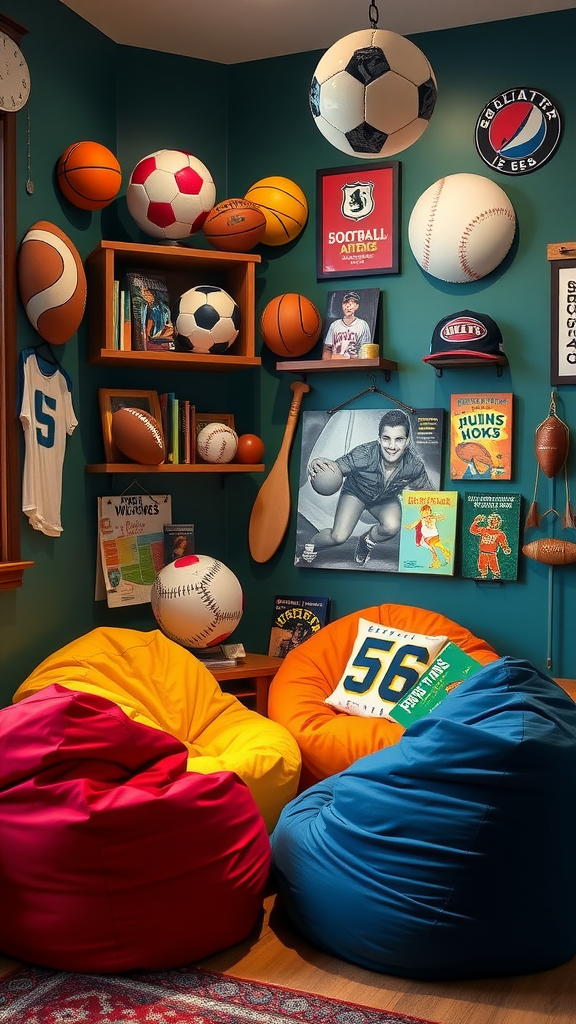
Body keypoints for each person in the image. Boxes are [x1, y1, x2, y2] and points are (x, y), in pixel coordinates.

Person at [303, 409, 432, 566]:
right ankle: (310, 546)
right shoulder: (363, 454)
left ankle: (367, 540)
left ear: (407, 440)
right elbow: (336, 469)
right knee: (338, 537)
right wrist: (319, 463)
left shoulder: (414, 465)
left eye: (399, 439)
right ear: (379, 438)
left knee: (392, 527)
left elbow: (428, 494)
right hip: (356, 493)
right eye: (386, 439)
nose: (392, 446)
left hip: (384, 499)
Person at [322, 291, 371, 359]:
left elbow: (366, 352)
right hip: (336, 365)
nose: (348, 306)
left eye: (352, 302)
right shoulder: (334, 325)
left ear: (357, 306)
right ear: (342, 305)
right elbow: (327, 350)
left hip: (355, 365)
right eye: (345, 302)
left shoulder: (362, 325)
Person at [404, 503, 451, 568]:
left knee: (436, 547)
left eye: (427, 512)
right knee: (433, 550)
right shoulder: (421, 520)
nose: (425, 514)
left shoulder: (433, 518)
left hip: (434, 536)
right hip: (427, 539)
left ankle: (444, 554)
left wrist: (433, 517)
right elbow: (414, 524)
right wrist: (409, 526)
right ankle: (437, 560)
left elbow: (442, 518)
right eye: (423, 513)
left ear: (429, 512)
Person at [469, 512, 511, 579]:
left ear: (499, 523)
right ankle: (483, 575)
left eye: (496, 522)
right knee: (482, 565)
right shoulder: (484, 530)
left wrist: (505, 548)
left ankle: (496, 575)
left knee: (494, 565)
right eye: (492, 521)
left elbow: (503, 542)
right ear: (489, 521)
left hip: (492, 554)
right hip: (483, 553)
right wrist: (476, 521)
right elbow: (473, 530)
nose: (494, 523)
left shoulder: (500, 534)